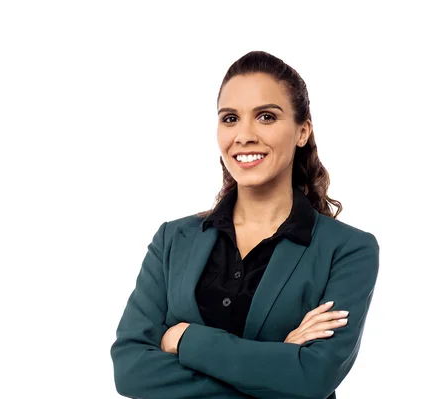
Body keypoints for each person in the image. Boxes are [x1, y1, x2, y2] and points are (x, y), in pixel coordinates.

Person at [110, 51, 379, 399]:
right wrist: (279, 366)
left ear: (302, 131)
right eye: (230, 118)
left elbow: (313, 377)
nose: (244, 135)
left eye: (266, 117)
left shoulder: (348, 251)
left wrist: (185, 339)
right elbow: (130, 371)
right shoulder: (173, 240)